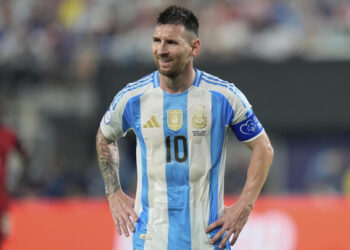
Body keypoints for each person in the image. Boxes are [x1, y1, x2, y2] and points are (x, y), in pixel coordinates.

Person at [96, 5, 274, 250]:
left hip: (206, 239)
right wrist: (113, 193)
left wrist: (244, 206)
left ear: (194, 47)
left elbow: (263, 148)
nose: (161, 50)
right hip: (151, 239)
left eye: (171, 42)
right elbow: (104, 138)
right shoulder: (133, 97)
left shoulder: (223, 96)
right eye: (156, 41)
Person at [0, 107, 29, 247]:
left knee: (4, 233)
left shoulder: (7, 134)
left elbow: (25, 152)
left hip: (3, 191)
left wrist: (17, 177)